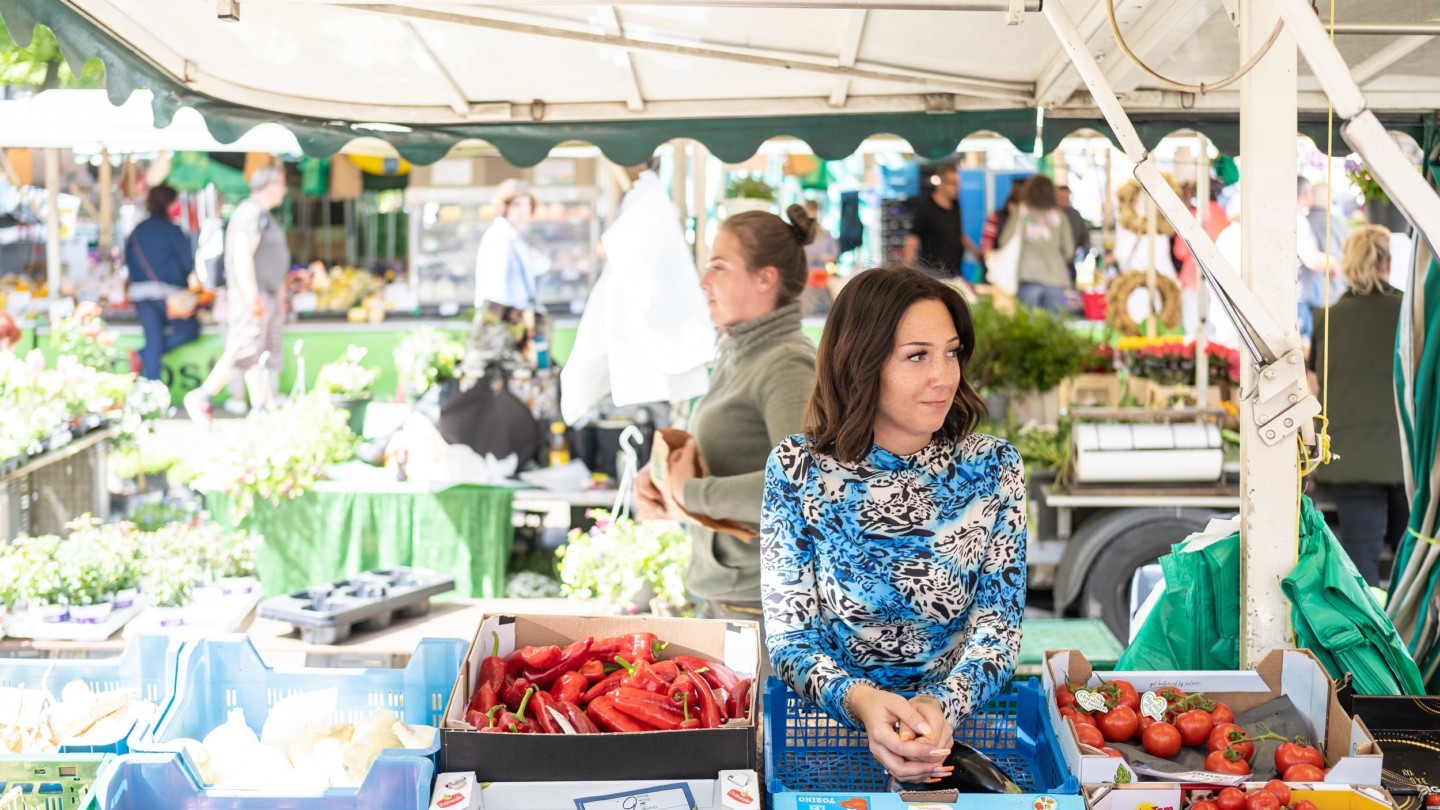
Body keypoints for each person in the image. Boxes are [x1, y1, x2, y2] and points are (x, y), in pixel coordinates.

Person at [761, 266, 1025, 785]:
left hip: (952, 739)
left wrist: (941, 705)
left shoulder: (994, 468)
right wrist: (861, 701)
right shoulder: (796, 469)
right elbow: (791, 637)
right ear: (861, 364)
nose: (944, 376)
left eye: (951, 352)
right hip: (825, 740)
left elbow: (999, 630)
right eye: (917, 356)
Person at [634, 205, 819, 621]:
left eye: (718, 267)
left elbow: (806, 488)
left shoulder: (786, 365)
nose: (703, 282)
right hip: (729, 596)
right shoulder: (740, 351)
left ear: (764, 278)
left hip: (762, 606)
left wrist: (691, 494)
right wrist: (662, 481)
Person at [1309, 225, 1407, 586]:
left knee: (1359, 556)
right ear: (1389, 262)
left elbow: (1313, 385)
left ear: (1347, 266)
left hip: (1347, 457)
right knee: (1411, 552)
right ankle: (1413, 632)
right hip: (1406, 455)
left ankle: (1366, 636)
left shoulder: (1328, 319)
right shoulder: (1412, 315)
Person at [183, 165, 290, 426]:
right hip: (251, 295)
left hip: (263, 294)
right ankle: (203, 396)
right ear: (272, 185)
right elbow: (242, 255)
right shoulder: (250, 212)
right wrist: (252, 295)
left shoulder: (260, 214)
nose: (286, 191)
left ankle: (261, 407)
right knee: (244, 348)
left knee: (257, 353)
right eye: (283, 184)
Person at [124, 184, 200, 381]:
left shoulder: (137, 231)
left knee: (154, 339)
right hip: (170, 295)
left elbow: (128, 261)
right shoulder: (172, 230)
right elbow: (187, 263)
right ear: (168, 203)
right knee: (190, 331)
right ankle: (142, 357)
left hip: (140, 294)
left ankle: (153, 393)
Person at [997, 176, 1076, 314]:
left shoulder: (1021, 211)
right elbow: (1069, 251)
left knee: (1028, 329)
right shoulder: (1060, 215)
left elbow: (1004, 241)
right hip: (1056, 279)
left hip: (1028, 277)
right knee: (1054, 329)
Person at [474, 180, 549, 312]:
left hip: (515, 315)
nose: (524, 210)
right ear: (504, 207)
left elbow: (541, 267)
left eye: (527, 205)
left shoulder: (516, 238)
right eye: (517, 205)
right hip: (505, 319)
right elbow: (497, 288)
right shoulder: (500, 237)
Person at [1172, 182, 1230, 336]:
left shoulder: (1192, 217)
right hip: (1219, 283)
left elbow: (1180, 251)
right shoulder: (1225, 217)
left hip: (1193, 281)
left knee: (1193, 333)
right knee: (1213, 334)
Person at [903, 165, 978, 278]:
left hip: (955, 271)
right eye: (953, 183)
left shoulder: (955, 205)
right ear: (941, 183)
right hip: (933, 272)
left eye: (958, 183)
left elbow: (958, 234)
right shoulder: (926, 208)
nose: (957, 187)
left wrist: (977, 253)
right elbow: (913, 239)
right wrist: (907, 269)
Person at [1296, 178, 1344, 341]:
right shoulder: (1299, 220)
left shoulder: (1301, 220)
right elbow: (1313, 260)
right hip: (1315, 301)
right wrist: (1333, 263)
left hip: (1302, 298)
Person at [1056, 184, 1092, 278]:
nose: (1064, 200)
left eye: (1066, 197)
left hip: (1071, 263)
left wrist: (1081, 254)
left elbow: (1084, 237)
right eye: (1061, 197)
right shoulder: (1050, 215)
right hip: (1054, 263)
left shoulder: (1074, 215)